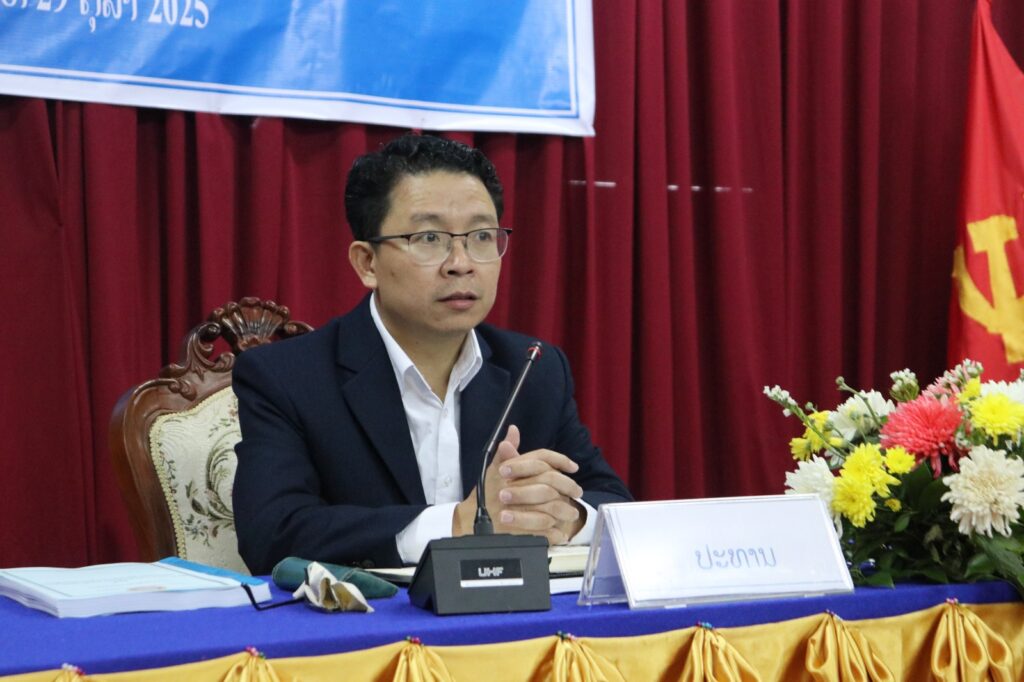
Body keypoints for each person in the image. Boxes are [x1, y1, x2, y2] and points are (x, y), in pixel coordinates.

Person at [232, 133, 632, 574]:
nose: (461, 262)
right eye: (429, 238)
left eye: (482, 236)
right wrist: (456, 524)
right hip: (370, 616)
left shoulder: (531, 367)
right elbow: (272, 533)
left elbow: (614, 505)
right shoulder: (288, 377)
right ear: (367, 263)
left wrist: (567, 517)